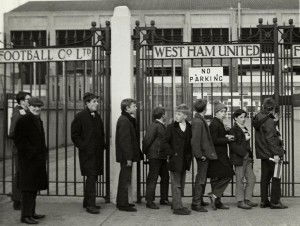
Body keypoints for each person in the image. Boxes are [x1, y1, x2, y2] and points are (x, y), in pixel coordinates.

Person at [14, 97, 48, 224]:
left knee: (33, 189)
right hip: (28, 161)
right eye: (34, 106)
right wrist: (32, 152)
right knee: (28, 190)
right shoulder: (23, 120)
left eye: (39, 106)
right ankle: (25, 216)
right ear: (29, 106)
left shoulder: (37, 119)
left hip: (36, 161)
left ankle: (32, 212)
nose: (37, 108)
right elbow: (19, 141)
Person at [71, 92, 105, 214]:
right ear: (87, 103)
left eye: (97, 101)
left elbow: (100, 132)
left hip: (97, 153)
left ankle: (87, 202)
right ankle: (91, 205)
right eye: (94, 101)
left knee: (93, 177)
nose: (97, 103)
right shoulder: (80, 116)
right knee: (91, 177)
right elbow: (74, 135)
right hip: (87, 154)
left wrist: (103, 144)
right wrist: (83, 146)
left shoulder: (97, 115)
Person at [252, 98, 287, 209]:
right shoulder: (269, 121)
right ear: (272, 109)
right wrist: (277, 153)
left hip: (263, 153)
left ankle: (264, 201)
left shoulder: (259, 117)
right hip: (272, 154)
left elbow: (263, 133)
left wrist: (274, 121)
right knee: (276, 177)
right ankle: (275, 202)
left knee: (265, 178)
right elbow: (271, 138)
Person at [162, 104, 192, 215]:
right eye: (176, 113)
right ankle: (177, 208)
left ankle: (177, 203)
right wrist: (172, 153)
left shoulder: (189, 127)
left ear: (185, 116)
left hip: (185, 159)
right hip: (175, 159)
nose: (176, 116)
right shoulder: (171, 127)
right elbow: (164, 142)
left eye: (179, 114)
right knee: (176, 184)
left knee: (181, 183)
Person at [191, 99, 217, 212]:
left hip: (203, 154)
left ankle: (199, 200)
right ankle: (196, 203)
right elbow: (195, 141)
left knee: (202, 178)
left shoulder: (198, 120)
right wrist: (199, 154)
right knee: (201, 179)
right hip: (202, 155)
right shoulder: (198, 121)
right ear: (205, 109)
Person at [115, 98, 141, 212]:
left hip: (127, 156)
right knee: (124, 180)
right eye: (134, 106)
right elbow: (125, 141)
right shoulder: (124, 120)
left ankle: (123, 202)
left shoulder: (127, 119)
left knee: (126, 179)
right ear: (127, 108)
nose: (136, 108)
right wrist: (128, 158)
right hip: (126, 157)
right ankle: (122, 204)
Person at [207, 101, 234, 210]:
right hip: (218, 154)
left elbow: (218, 136)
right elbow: (214, 140)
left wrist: (225, 131)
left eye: (225, 111)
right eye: (221, 111)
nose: (224, 113)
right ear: (216, 112)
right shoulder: (214, 123)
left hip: (219, 154)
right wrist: (227, 139)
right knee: (228, 174)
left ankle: (217, 201)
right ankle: (214, 195)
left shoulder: (218, 122)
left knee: (216, 178)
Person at [229, 109, 257, 210]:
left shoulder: (244, 128)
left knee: (252, 178)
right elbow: (233, 146)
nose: (243, 119)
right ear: (235, 118)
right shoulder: (233, 130)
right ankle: (240, 201)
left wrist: (248, 155)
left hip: (247, 158)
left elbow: (246, 143)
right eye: (241, 117)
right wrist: (244, 154)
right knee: (240, 179)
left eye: (244, 117)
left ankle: (247, 199)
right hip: (239, 158)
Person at [142, 106, 170, 209]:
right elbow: (146, 140)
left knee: (165, 177)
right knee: (153, 178)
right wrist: (147, 153)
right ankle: (149, 201)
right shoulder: (155, 125)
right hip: (155, 156)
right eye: (165, 114)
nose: (166, 115)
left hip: (161, 156)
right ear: (162, 115)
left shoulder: (160, 125)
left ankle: (164, 199)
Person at [8, 91, 31, 210]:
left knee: (23, 174)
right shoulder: (18, 113)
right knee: (20, 174)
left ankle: (21, 199)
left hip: (26, 150)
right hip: (20, 149)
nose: (30, 101)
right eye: (28, 99)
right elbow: (12, 132)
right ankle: (17, 200)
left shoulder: (26, 112)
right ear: (21, 101)